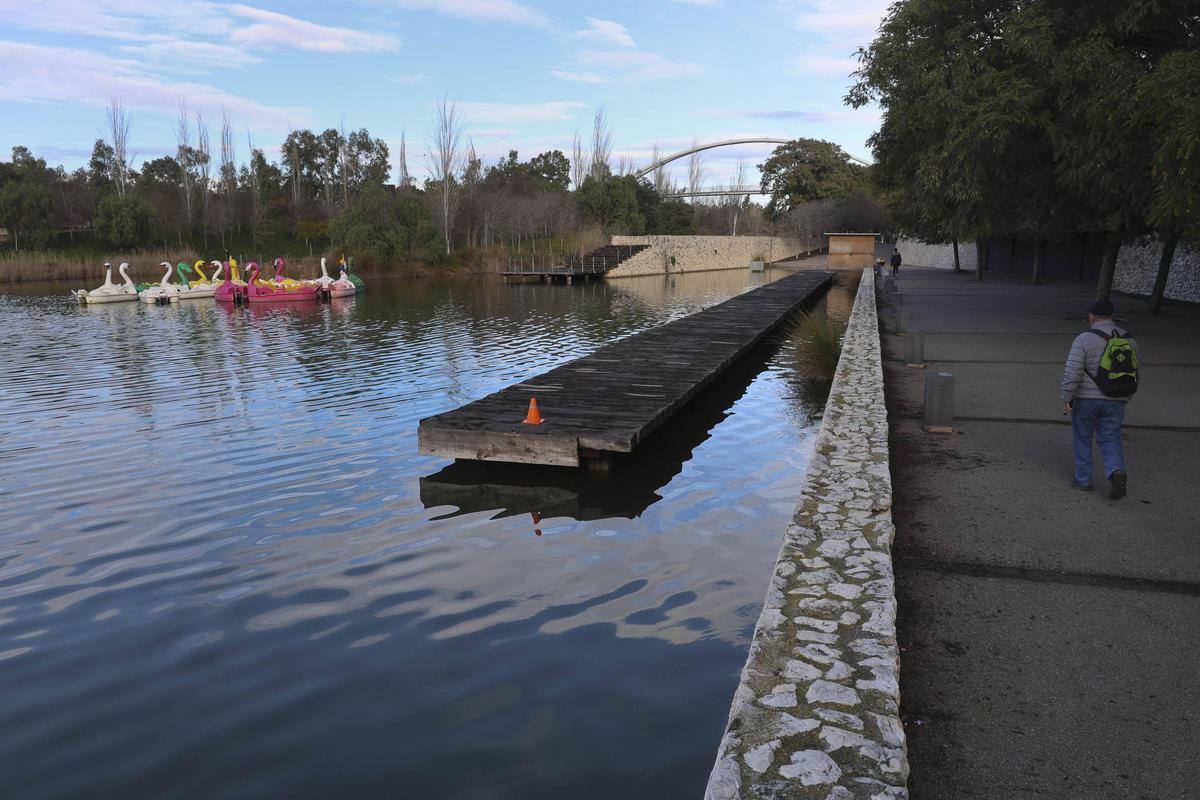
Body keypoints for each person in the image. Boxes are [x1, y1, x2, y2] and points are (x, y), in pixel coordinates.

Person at [1061, 299, 1139, 499]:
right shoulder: (1130, 340)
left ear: (1091, 316)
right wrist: (1125, 397)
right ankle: (1116, 471)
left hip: (1086, 399)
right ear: (1112, 316)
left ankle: (1083, 480)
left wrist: (1067, 397)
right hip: (1116, 400)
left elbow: (1073, 372)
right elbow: (1135, 372)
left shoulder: (1084, 339)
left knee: (1082, 438)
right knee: (1110, 438)